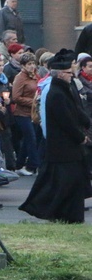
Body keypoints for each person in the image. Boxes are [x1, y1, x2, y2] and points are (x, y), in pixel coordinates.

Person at [20, 49, 92, 223]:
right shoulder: (56, 93)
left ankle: (68, 215)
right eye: (68, 72)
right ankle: (62, 214)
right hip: (63, 147)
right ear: (60, 74)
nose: (71, 75)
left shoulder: (64, 89)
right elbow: (66, 120)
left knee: (67, 184)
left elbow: (76, 111)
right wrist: (80, 137)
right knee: (64, 184)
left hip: (67, 148)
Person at [12, 52, 40, 176]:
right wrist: (33, 102)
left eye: (33, 63)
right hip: (22, 113)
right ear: (23, 65)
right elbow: (16, 97)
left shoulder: (34, 76)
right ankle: (33, 165)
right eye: (29, 64)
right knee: (31, 138)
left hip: (32, 113)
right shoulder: (20, 77)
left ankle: (19, 164)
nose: (32, 66)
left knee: (28, 139)